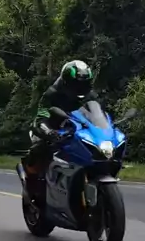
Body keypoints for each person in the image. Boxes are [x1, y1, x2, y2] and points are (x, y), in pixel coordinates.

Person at [18, 60, 96, 198]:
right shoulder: (52, 93)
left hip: (77, 129)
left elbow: (98, 113)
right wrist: (48, 131)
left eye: (84, 84)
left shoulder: (90, 95)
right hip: (53, 126)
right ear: (66, 82)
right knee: (39, 149)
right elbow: (41, 115)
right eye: (76, 84)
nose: (80, 88)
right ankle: (31, 186)